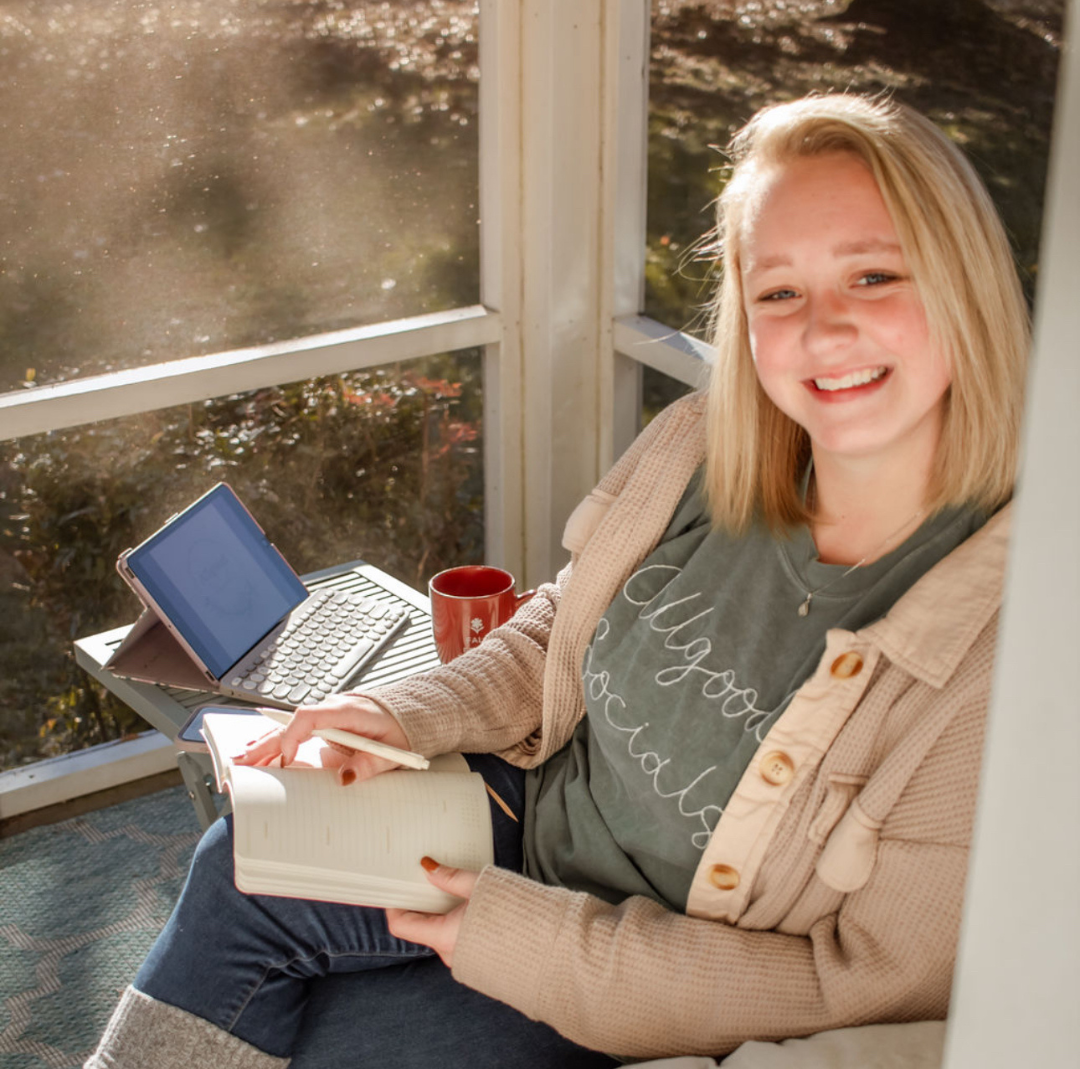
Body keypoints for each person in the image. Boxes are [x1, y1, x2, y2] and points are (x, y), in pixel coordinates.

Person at [86, 92, 1030, 1069]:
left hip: (637, 968)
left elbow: (862, 982)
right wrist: (403, 714)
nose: (823, 332)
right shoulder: (707, 447)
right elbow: (559, 628)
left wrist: (529, 940)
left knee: (334, 1043)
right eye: (778, 292)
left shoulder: (1012, 635)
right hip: (513, 817)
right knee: (242, 856)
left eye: (873, 276)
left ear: (965, 286)